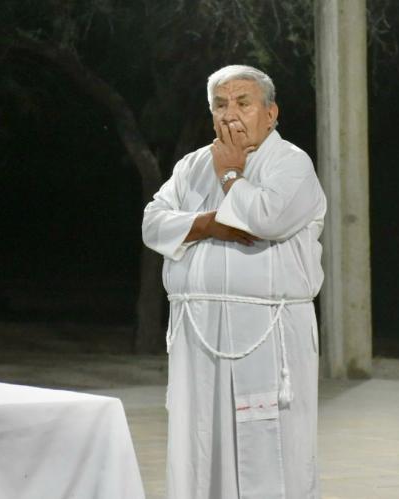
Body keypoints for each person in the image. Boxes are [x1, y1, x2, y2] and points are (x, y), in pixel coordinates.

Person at [142, 65, 325, 499]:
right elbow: (153, 223)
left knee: (268, 448)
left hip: (266, 332)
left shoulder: (290, 163)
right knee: (201, 440)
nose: (230, 115)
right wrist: (207, 224)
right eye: (220, 105)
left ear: (271, 112)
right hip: (199, 332)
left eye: (243, 103)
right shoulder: (191, 166)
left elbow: (264, 219)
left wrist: (230, 175)